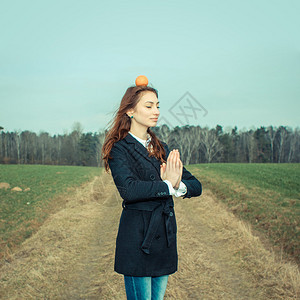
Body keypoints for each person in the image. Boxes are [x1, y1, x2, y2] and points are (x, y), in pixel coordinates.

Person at [101, 76, 202, 300]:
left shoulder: (161, 147)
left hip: (164, 239)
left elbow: (196, 186)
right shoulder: (119, 148)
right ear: (130, 111)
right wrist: (167, 185)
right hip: (137, 238)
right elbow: (128, 190)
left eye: (157, 105)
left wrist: (177, 186)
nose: (156, 111)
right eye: (148, 106)